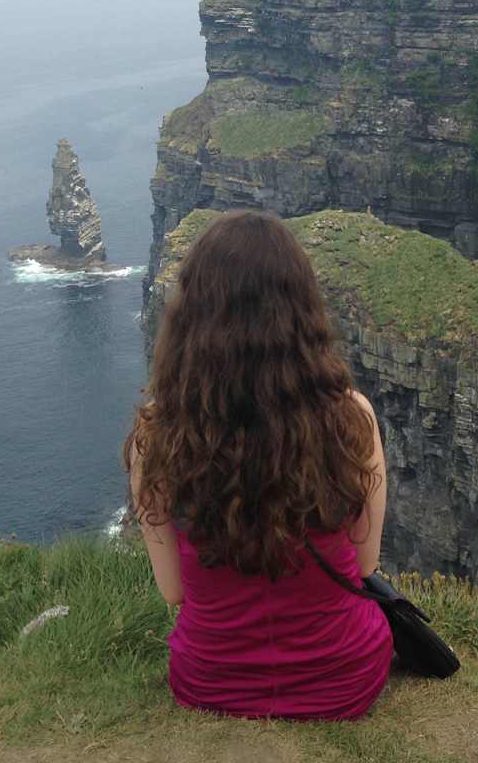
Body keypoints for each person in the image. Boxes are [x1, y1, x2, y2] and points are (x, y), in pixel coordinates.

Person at [122, 209, 393, 720]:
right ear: (302, 310)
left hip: (209, 681)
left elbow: (173, 591)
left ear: (191, 318)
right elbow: (363, 566)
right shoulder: (351, 417)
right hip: (344, 680)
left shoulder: (156, 437)